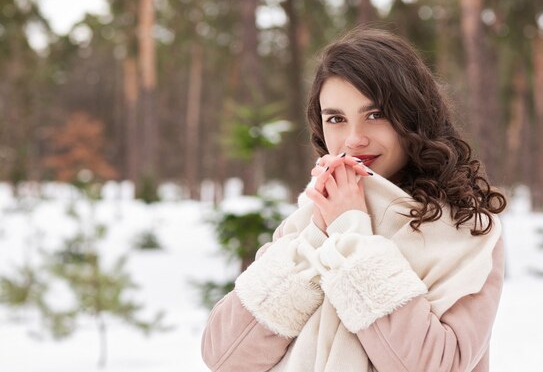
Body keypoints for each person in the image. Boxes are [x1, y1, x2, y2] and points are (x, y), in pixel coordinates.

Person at [201, 28, 506, 372]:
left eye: (376, 115)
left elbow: (435, 366)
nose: (354, 139)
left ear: (415, 115)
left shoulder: (467, 230)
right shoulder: (308, 220)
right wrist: (317, 238)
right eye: (336, 119)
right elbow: (226, 357)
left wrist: (352, 239)